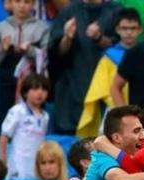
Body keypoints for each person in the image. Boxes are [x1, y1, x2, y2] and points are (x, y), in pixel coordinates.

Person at [49, 0, 123, 134]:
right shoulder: (69, 12)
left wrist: (99, 38)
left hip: (108, 89)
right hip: (73, 88)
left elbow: (123, 47)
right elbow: (56, 54)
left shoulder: (115, 11)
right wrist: (67, 37)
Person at [77, 8, 143, 138]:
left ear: (140, 30)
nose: (129, 32)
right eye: (124, 28)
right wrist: (122, 109)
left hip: (142, 108)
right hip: (115, 110)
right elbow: (100, 89)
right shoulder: (109, 57)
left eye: (133, 28)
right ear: (117, 29)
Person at [0, 0, 50, 128]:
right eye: (17, 1)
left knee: (33, 130)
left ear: (33, 4)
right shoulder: (0, 28)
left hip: (33, 88)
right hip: (7, 87)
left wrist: (30, 50)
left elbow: (46, 60)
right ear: (10, 3)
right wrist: (2, 50)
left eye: (27, 2)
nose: (22, 6)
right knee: (5, 128)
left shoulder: (43, 28)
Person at [0, 74, 51, 180]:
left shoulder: (45, 116)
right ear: (25, 92)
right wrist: (3, 163)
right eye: (35, 88)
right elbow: (4, 137)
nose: (40, 93)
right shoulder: (17, 111)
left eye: (44, 89)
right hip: (18, 165)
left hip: (36, 165)